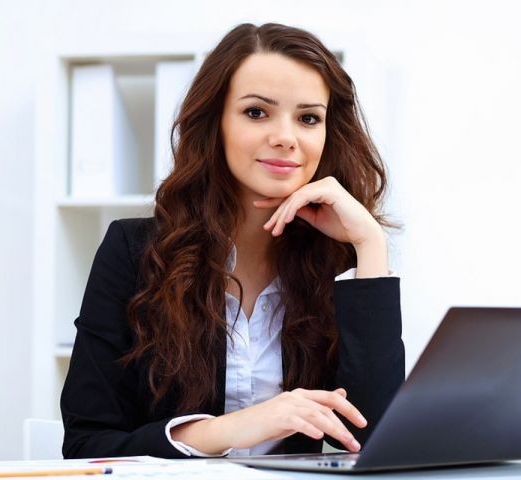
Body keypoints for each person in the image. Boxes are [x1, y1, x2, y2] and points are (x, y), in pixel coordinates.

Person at [60, 23, 405, 459]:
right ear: (215, 123)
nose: (286, 136)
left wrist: (370, 245)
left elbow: (374, 443)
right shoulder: (133, 252)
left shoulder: (338, 263)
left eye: (308, 118)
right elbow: (87, 445)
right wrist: (232, 429)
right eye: (256, 112)